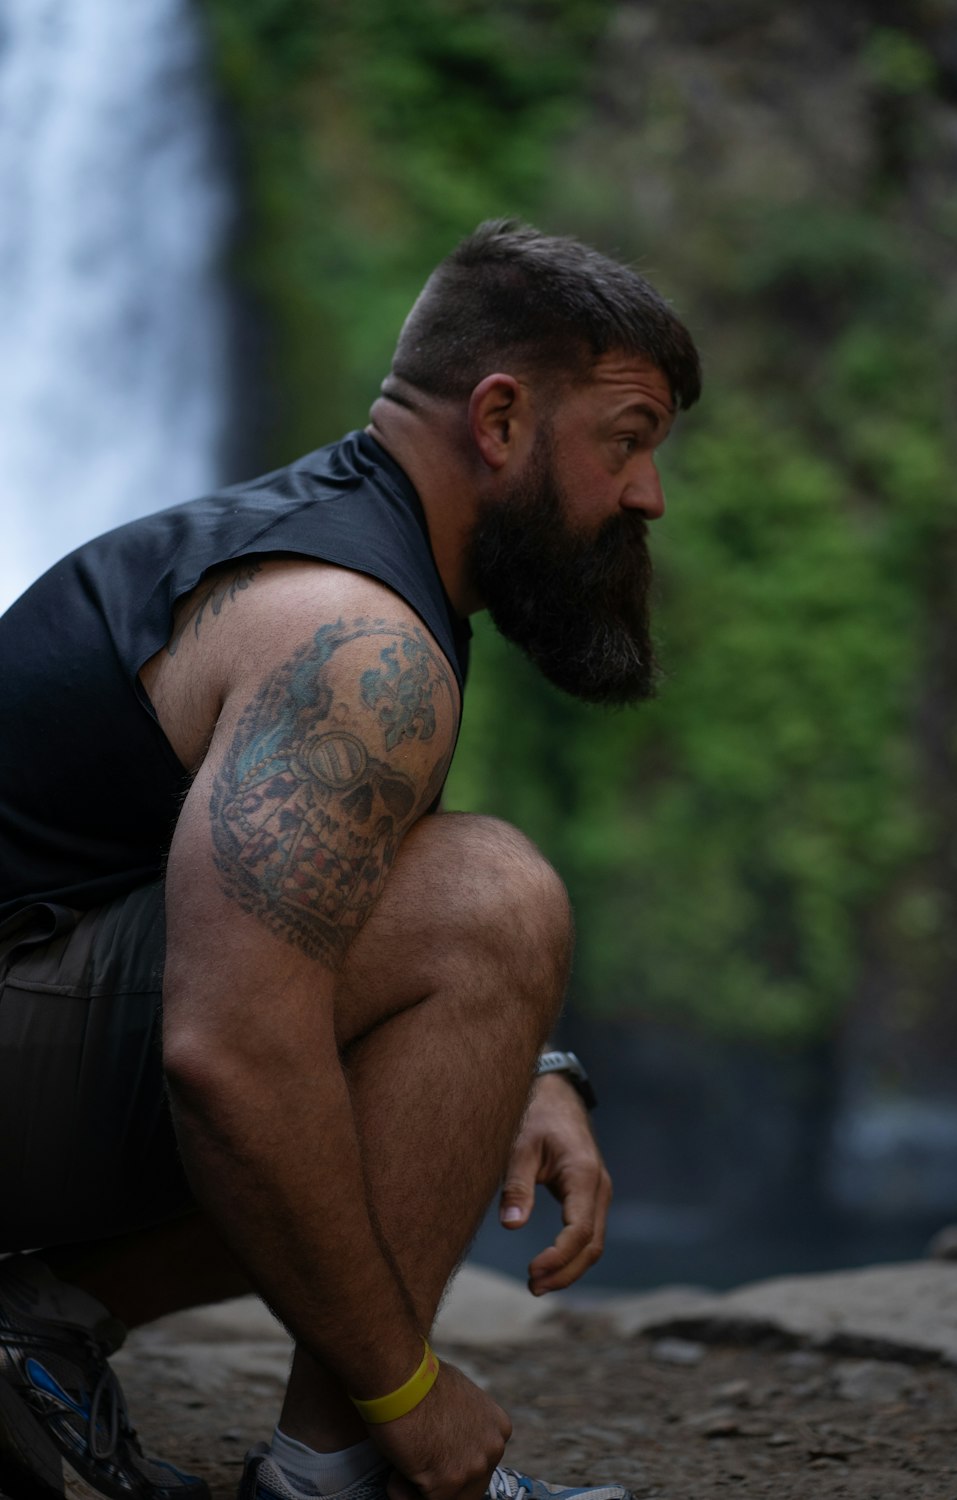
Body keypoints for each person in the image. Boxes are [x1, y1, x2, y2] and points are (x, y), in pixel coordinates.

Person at [0, 220, 701, 1500]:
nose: (647, 494)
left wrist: (510, 1062)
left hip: (41, 1003)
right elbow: (228, 1050)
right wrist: (411, 1391)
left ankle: (41, 1323)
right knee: (490, 900)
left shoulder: (348, 550)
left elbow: (299, 882)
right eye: (629, 437)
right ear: (498, 420)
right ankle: (352, 1467)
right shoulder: (350, 630)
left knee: (466, 934)